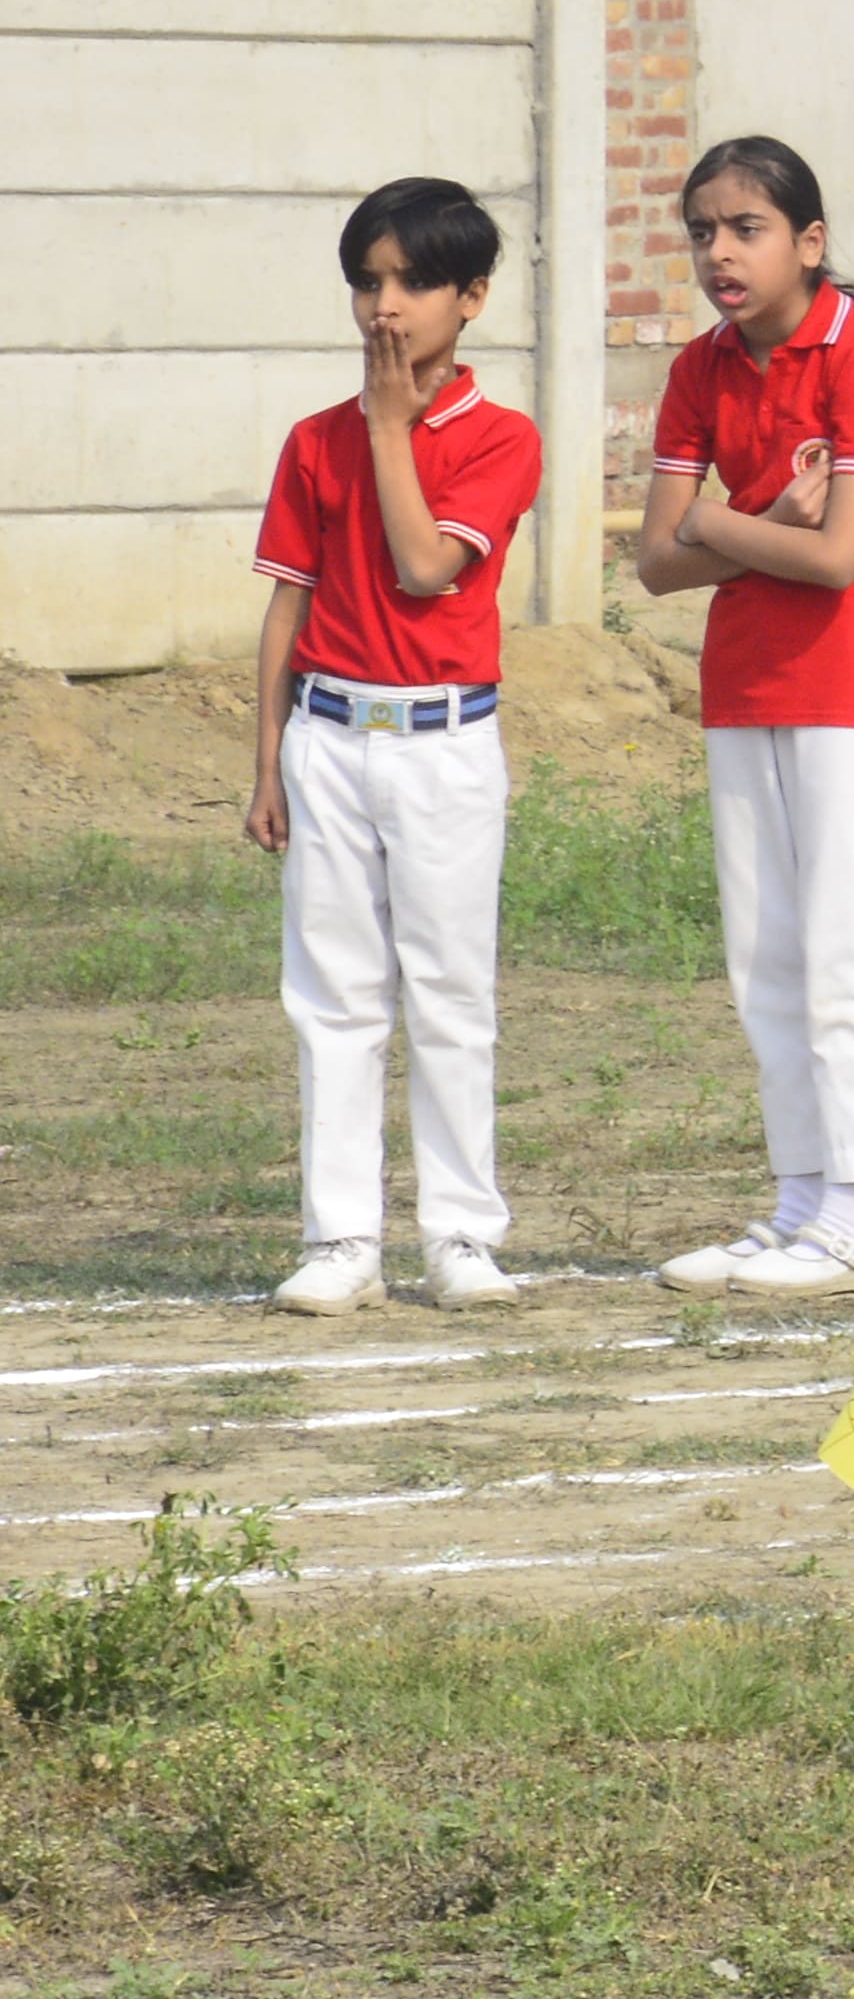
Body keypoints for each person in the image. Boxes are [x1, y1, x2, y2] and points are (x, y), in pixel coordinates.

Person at [629, 136, 854, 1298]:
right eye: (703, 230)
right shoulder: (700, 368)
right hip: (740, 687)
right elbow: (656, 562)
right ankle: (801, 1201)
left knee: (839, 953)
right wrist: (760, 520)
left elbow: (840, 555)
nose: (720, 252)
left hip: (842, 692)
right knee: (765, 960)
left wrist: (716, 521)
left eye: (746, 228)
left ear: (810, 242)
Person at [248, 176, 544, 1318]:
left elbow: (427, 567)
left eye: (415, 281)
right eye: (368, 282)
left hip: (443, 743)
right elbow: (287, 604)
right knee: (331, 998)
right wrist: (266, 762)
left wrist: (388, 427)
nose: (386, 306)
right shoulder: (312, 441)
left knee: (451, 992)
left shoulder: (501, 439)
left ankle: (461, 1233)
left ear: (471, 297)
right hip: (329, 734)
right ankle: (341, 1238)